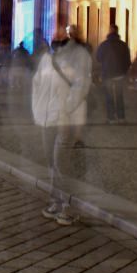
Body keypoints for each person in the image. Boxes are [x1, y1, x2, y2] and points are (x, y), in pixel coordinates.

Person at [31, 25, 91, 225]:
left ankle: (66, 206)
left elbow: (82, 85)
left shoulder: (80, 56)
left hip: (66, 120)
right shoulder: (47, 59)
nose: (56, 35)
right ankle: (55, 201)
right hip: (46, 119)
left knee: (61, 163)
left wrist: (67, 108)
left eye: (62, 32)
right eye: (55, 33)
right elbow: (36, 84)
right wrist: (37, 110)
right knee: (51, 163)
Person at [96, 24, 131, 124]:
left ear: (110, 31)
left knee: (109, 96)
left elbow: (98, 58)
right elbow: (128, 61)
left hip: (107, 74)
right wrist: (124, 71)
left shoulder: (104, 45)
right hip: (119, 74)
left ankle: (111, 118)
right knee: (119, 96)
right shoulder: (123, 45)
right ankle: (121, 117)